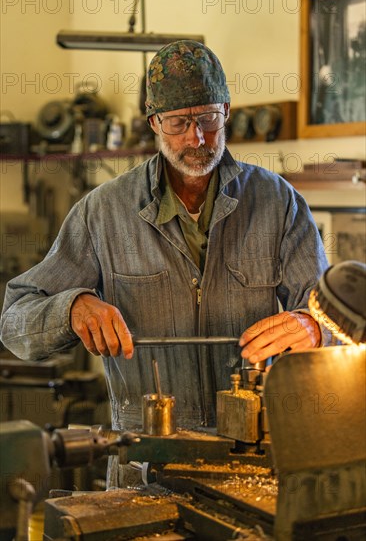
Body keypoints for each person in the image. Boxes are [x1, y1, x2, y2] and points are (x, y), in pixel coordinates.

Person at [0, 41, 328, 478]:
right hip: (144, 469)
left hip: (252, 464)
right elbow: (14, 323)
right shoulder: (104, 212)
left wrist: (314, 325)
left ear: (226, 110)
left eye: (208, 118)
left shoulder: (277, 202)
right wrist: (72, 308)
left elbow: (334, 312)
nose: (196, 138)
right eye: (177, 122)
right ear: (154, 122)